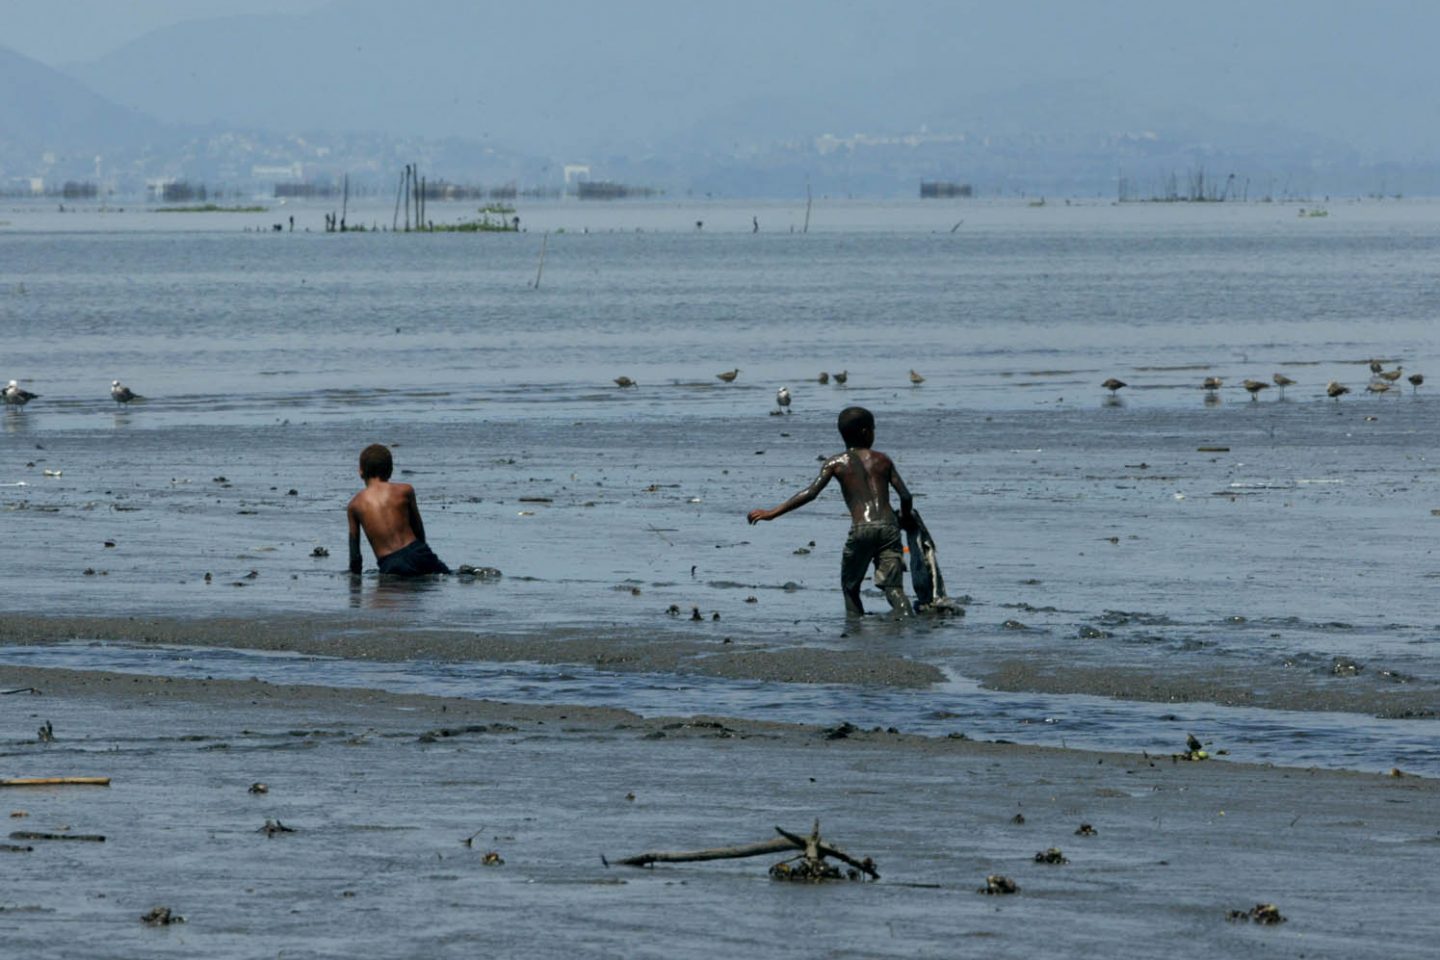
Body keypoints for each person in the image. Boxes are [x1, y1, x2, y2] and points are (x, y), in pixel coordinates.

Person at [748, 406, 913, 617]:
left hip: (862, 528)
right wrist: (906, 520)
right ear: (866, 432)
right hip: (889, 528)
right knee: (894, 589)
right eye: (873, 429)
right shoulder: (883, 460)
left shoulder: (836, 463)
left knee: (851, 588)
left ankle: (854, 633)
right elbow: (906, 497)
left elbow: (810, 493)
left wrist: (772, 513)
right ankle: (907, 624)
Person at [347, 443, 450, 577]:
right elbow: (418, 530)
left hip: (391, 564)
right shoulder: (405, 491)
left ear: (361, 472)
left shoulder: (355, 505)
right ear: (390, 470)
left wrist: (354, 581)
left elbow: (355, 555)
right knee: (446, 575)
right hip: (418, 552)